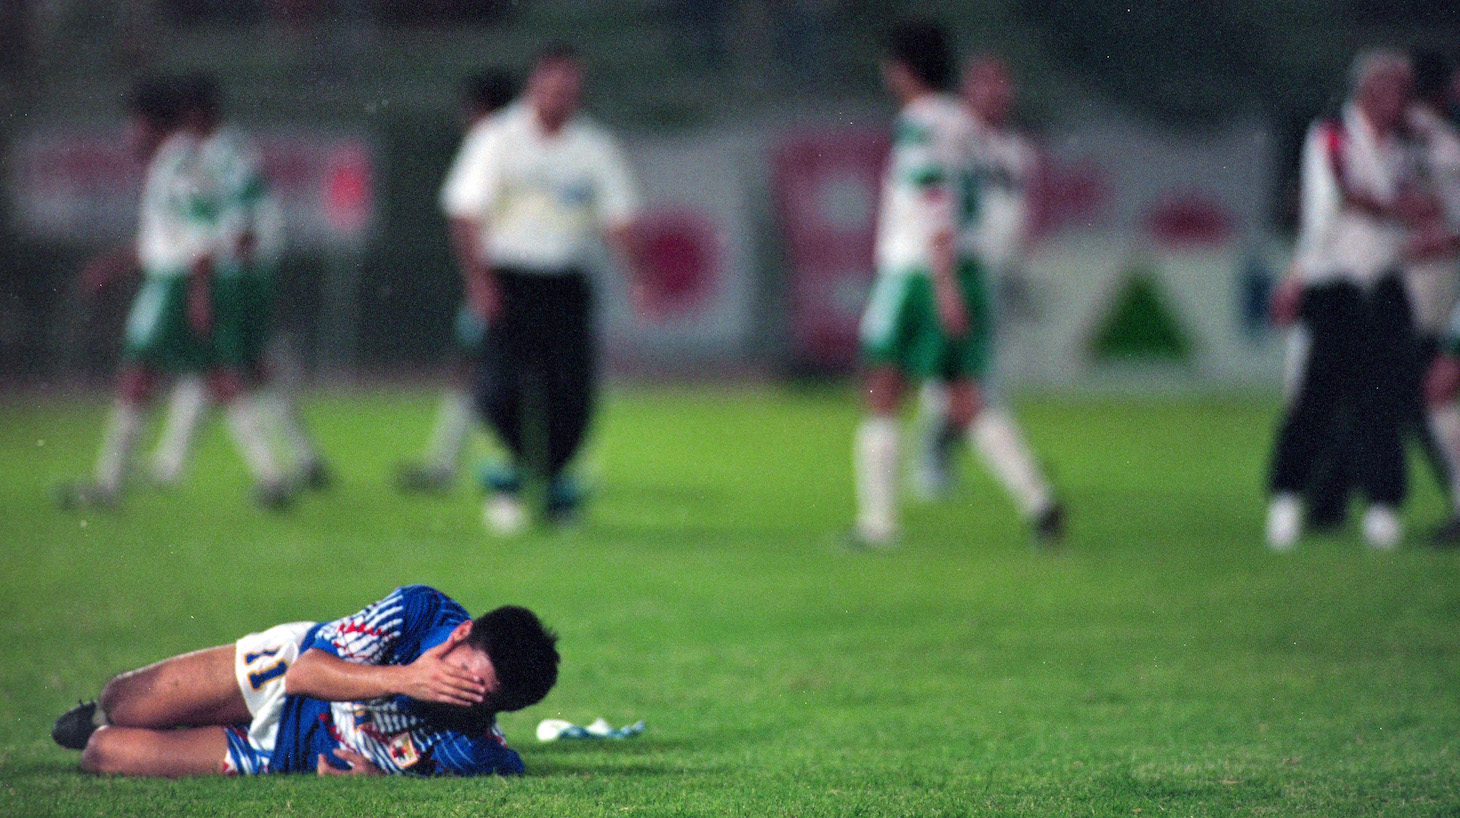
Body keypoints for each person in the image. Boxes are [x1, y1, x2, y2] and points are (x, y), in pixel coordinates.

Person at [852, 23, 1063, 549]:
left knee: (883, 391)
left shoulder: (920, 124)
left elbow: (933, 197)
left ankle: (879, 525)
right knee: (966, 397)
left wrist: (942, 282)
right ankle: (1039, 501)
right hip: (964, 269)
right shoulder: (965, 124)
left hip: (920, 272)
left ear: (901, 70)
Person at [57, 76, 293, 511]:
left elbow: (201, 233)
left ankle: (107, 486)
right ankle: (273, 475)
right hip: (185, 279)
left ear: (151, 123)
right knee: (219, 376)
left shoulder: (179, 163)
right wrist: (115, 266)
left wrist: (198, 294)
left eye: (134, 124)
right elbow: (172, 233)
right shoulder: (181, 160)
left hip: (179, 283)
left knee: (138, 376)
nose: (129, 134)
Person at [439, 45, 642, 531]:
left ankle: (553, 489)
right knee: (501, 389)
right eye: (551, 88)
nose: (559, 99)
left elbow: (619, 219)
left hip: (566, 283)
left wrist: (637, 275)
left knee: (570, 395)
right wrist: (479, 281)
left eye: (568, 90)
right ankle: (513, 481)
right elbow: (465, 213)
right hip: (509, 279)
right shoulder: (497, 138)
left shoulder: (594, 147)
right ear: (534, 86)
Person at [51, 585, 559, 777]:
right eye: (469, 676)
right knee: (125, 701)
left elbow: (504, 762)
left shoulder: (471, 743)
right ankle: (109, 709)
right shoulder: (418, 611)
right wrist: (408, 678)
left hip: (284, 751)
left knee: (105, 754)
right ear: (463, 634)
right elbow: (304, 675)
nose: (466, 696)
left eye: (485, 700)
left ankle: (148, 728)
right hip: (288, 667)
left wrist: (377, 781)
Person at [1265, 49, 1432, 551]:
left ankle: (1383, 507)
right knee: (1316, 399)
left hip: (1382, 279)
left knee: (1382, 400)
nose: (1401, 101)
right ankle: (1287, 498)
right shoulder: (1332, 132)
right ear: (1370, 89)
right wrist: (1403, 210)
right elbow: (1342, 196)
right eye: (1394, 89)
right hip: (1334, 282)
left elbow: (1419, 198)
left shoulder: (1405, 144)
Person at [148, 73, 332, 494]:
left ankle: (272, 472)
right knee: (244, 367)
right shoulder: (202, 153)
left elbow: (244, 224)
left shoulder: (227, 154)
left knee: (224, 367)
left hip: (230, 276)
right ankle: (302, 459)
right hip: (221, 272)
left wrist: (214, 269)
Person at [911, 54, 1044, 504]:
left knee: (982, 376)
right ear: (968, 91)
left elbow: (1020, 209)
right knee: (960, 375)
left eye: (1001, 84)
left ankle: (943, 450)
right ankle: (936, 453)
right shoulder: (953, 141)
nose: (994, 93)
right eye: (984, 84)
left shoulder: (1017, 151)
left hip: (1000, 272)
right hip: (963, 267)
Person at [397, 69, 520, 495]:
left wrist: (479, 279)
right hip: (515, 278)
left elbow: (467, 218)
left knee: (480, 370)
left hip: (502, 278)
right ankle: (452, 461)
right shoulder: (516, 144)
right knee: (484, 369)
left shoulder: (490, 147)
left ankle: (455, 463)